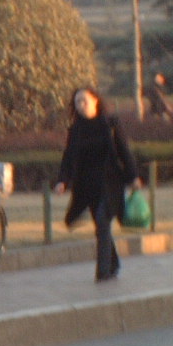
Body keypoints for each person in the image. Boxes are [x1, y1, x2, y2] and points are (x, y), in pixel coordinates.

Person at [54, 87, 140, 282]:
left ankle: (102, 272)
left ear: (95, 101)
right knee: (101, 227)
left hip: (110, 183)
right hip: (87, 186)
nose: (81, 105)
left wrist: (133, 176)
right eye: (77, 102)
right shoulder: (76, 130)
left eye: (84, 100)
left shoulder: (110, 124)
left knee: (102, 221)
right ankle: (113, 263)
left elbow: (124, 150)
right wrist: (62, 180)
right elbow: (68, 157)